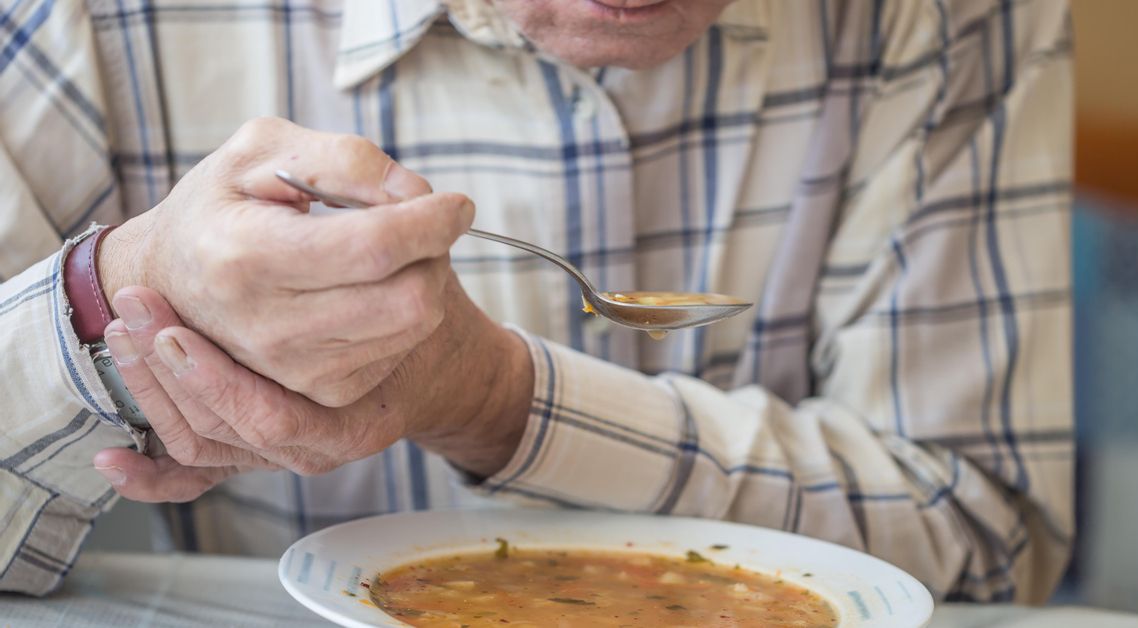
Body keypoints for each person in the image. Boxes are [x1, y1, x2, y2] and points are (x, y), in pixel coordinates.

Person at [0, 0, 1074, 603]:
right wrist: (110, 292)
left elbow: (986, 538)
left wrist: (497, 396)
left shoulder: (945, 16)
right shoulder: (91, 18)